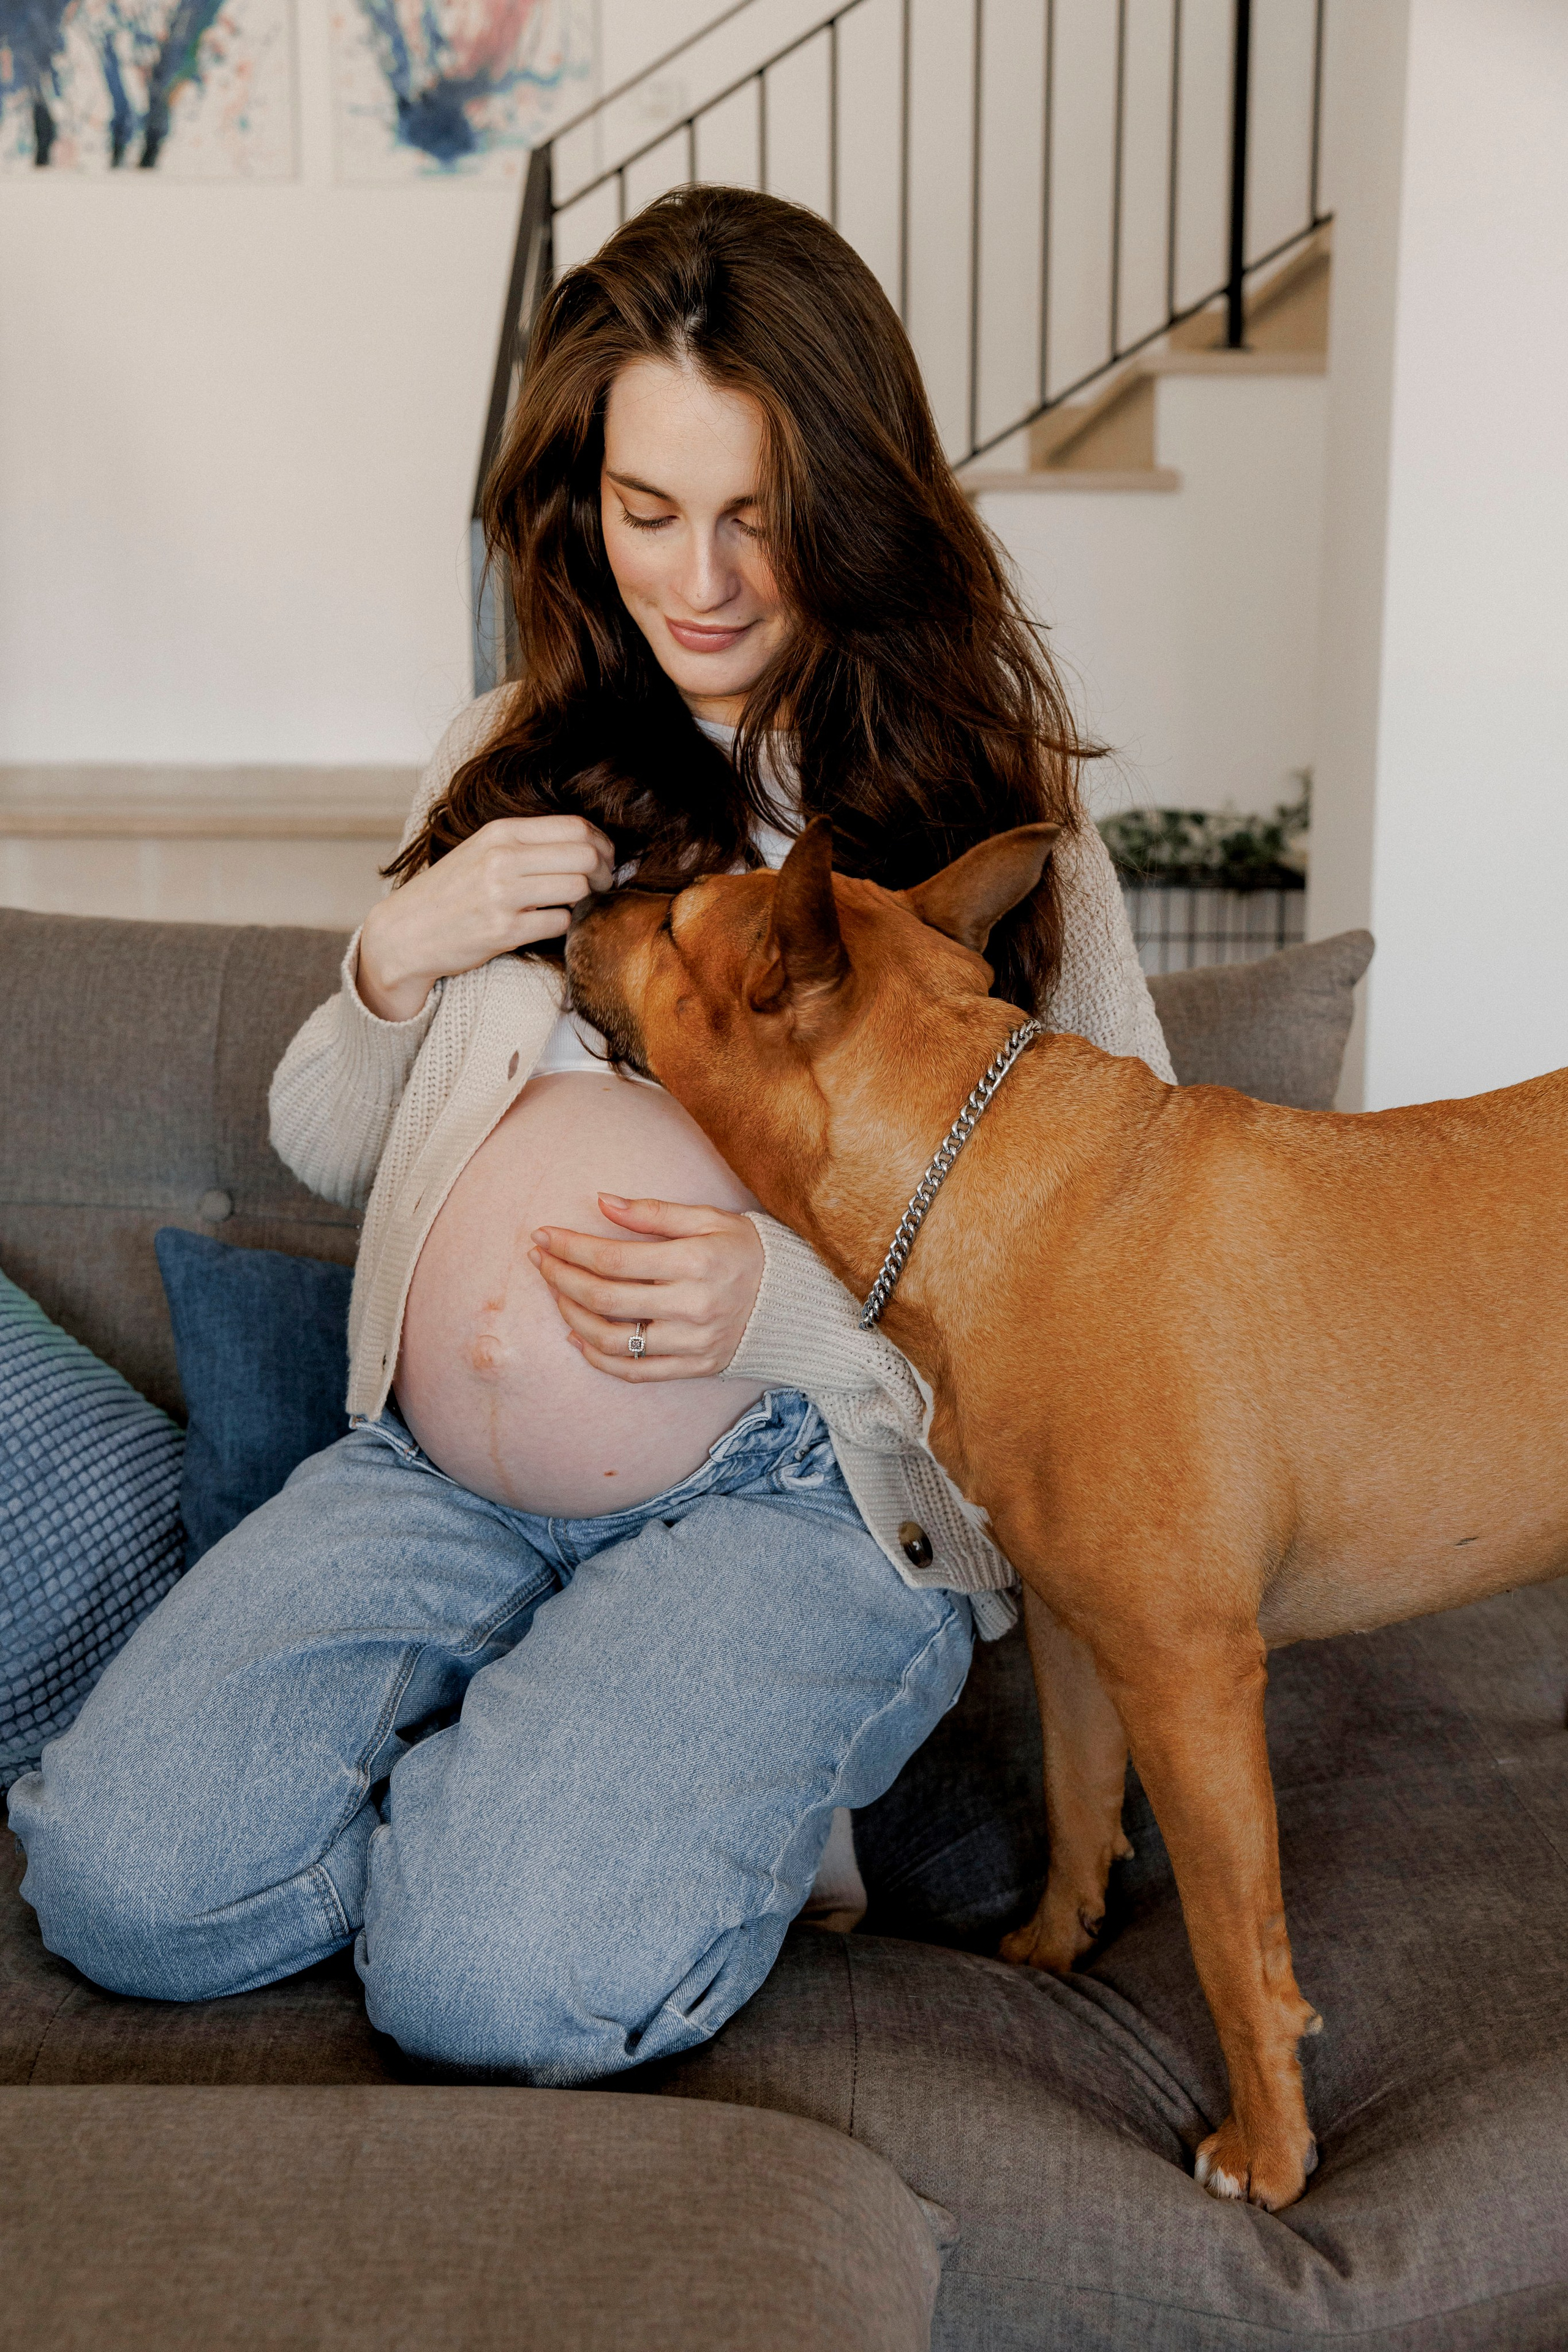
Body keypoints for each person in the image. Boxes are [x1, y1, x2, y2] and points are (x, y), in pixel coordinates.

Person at [11, 186, 1174, 2079]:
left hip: (806, 1492)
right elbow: (324, 1141)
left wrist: (782, 1321)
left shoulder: (987, 809)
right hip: (439, 1482)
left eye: (757, 518)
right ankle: (596, 1789)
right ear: (579, 505)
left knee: (495, 1987)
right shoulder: (511, 743)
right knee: (116, 1887)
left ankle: (624, 1806)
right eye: (647, 515)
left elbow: (1131, 1256)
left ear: (854, 504)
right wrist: (401, 952)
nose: (699, 580)